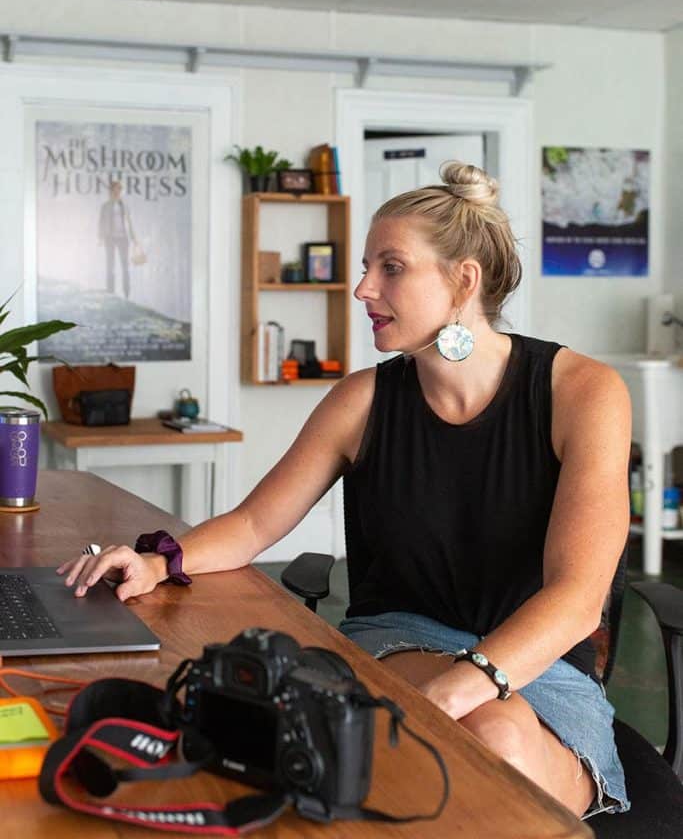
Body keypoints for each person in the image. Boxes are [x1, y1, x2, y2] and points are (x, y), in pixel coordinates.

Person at [59, 161, 631, 821]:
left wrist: (448, 696)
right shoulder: (361, 400)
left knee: (494, 733)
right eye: (365, 265)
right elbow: (252, 525)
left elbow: (577, 597)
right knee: (485, 737)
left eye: (390, 267)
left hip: (541, 665)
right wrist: (160, 562)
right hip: (401, 641)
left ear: (462, 280)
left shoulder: (580, 393)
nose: (361, 287)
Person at [98, 180, 137, 299]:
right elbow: (101, 222)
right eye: (114, 190)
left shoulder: (124, 206)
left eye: (119, 190)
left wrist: (133, 237)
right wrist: (100, 237)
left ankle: (127, 293)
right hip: (110, 238)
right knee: (110, 265)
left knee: (125, 266)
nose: (117, 192)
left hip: (123, 238)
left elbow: (129, 222)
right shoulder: (105, 206)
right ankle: (110, 292)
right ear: (110, 191)